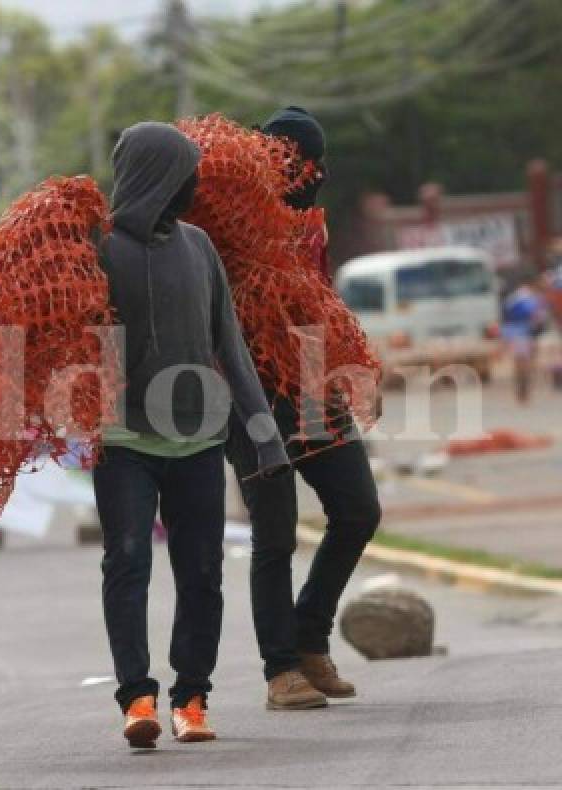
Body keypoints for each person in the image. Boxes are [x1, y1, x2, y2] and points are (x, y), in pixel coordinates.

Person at [97, 122, 290, 748]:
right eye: (182, 176)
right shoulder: (96, 250)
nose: (191, 190)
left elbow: (228, 344)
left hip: (199, 441)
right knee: (127, 563)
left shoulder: (200, 246)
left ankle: (192, 698)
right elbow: (64, 341)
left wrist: (264, 434)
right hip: (123, 442)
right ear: (155, 177)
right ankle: (137, 699)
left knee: (202, 571)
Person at [221, 107, 383, 711]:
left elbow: (321, 298)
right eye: (291, 161)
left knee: (358, 509)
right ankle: (281, 669)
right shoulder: (228, 224)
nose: (304, 174)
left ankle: (310, 638)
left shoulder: (313, 223)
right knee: (274, 533)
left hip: (316, 385)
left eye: (310, 163)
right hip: (250, 393)